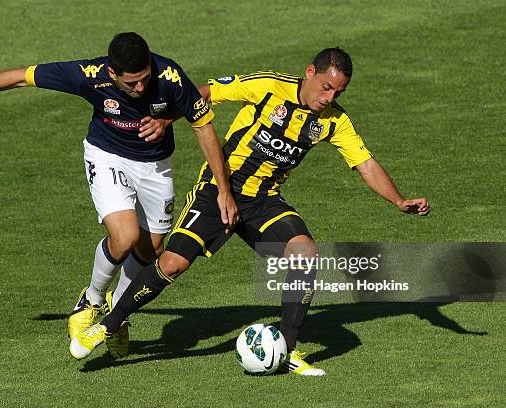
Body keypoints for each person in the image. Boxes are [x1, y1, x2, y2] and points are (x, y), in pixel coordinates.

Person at [70, 47, 430, 376]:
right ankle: (108, 324)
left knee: (305, 253)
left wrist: (398, 200)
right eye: (325, 88)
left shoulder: (334, 122)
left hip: (263, 201)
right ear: (309, 72)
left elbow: (364, 163)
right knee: (171, 264)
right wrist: (167, 120)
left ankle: (287, 349)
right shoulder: (268, 86)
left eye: (338, 93)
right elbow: (205, 93)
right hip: (219, 190)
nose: (329, 98)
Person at [0, 32, 237, 359]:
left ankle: (118, 317)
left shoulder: (170, 76)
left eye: (144, 80)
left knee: (152, 247)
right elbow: (21, 77)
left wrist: (223, 190)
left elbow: (204, 128)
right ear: (112, 74)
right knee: (125, 236)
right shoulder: (89, 76)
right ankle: (93, 298)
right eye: (131, 84)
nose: (140, 89)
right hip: (107, 155)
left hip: (156, 167)